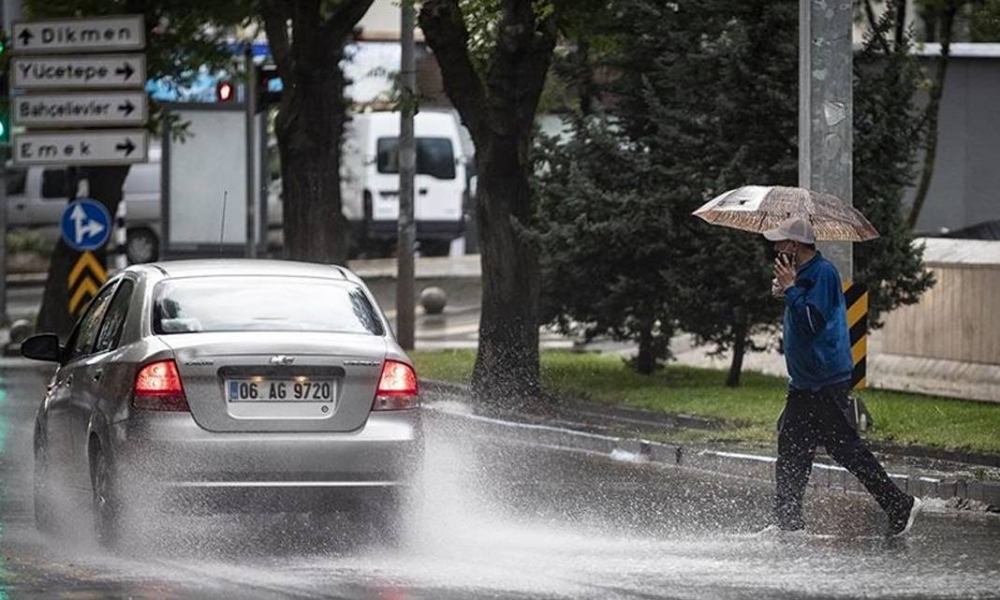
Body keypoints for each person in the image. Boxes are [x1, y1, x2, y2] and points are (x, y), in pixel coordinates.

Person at [762, 217, 921, 537]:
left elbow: (812, 322)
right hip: (805, 381)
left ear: (794, 245)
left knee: (845, 448)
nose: (775, 247)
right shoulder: (801, 274)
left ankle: (899, 504)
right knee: (792, 447)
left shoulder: (822, 273)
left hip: (825, 379)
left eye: (780, 242)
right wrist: (784, 290)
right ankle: (788, 522)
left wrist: (792, 290)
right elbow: (799, 310)